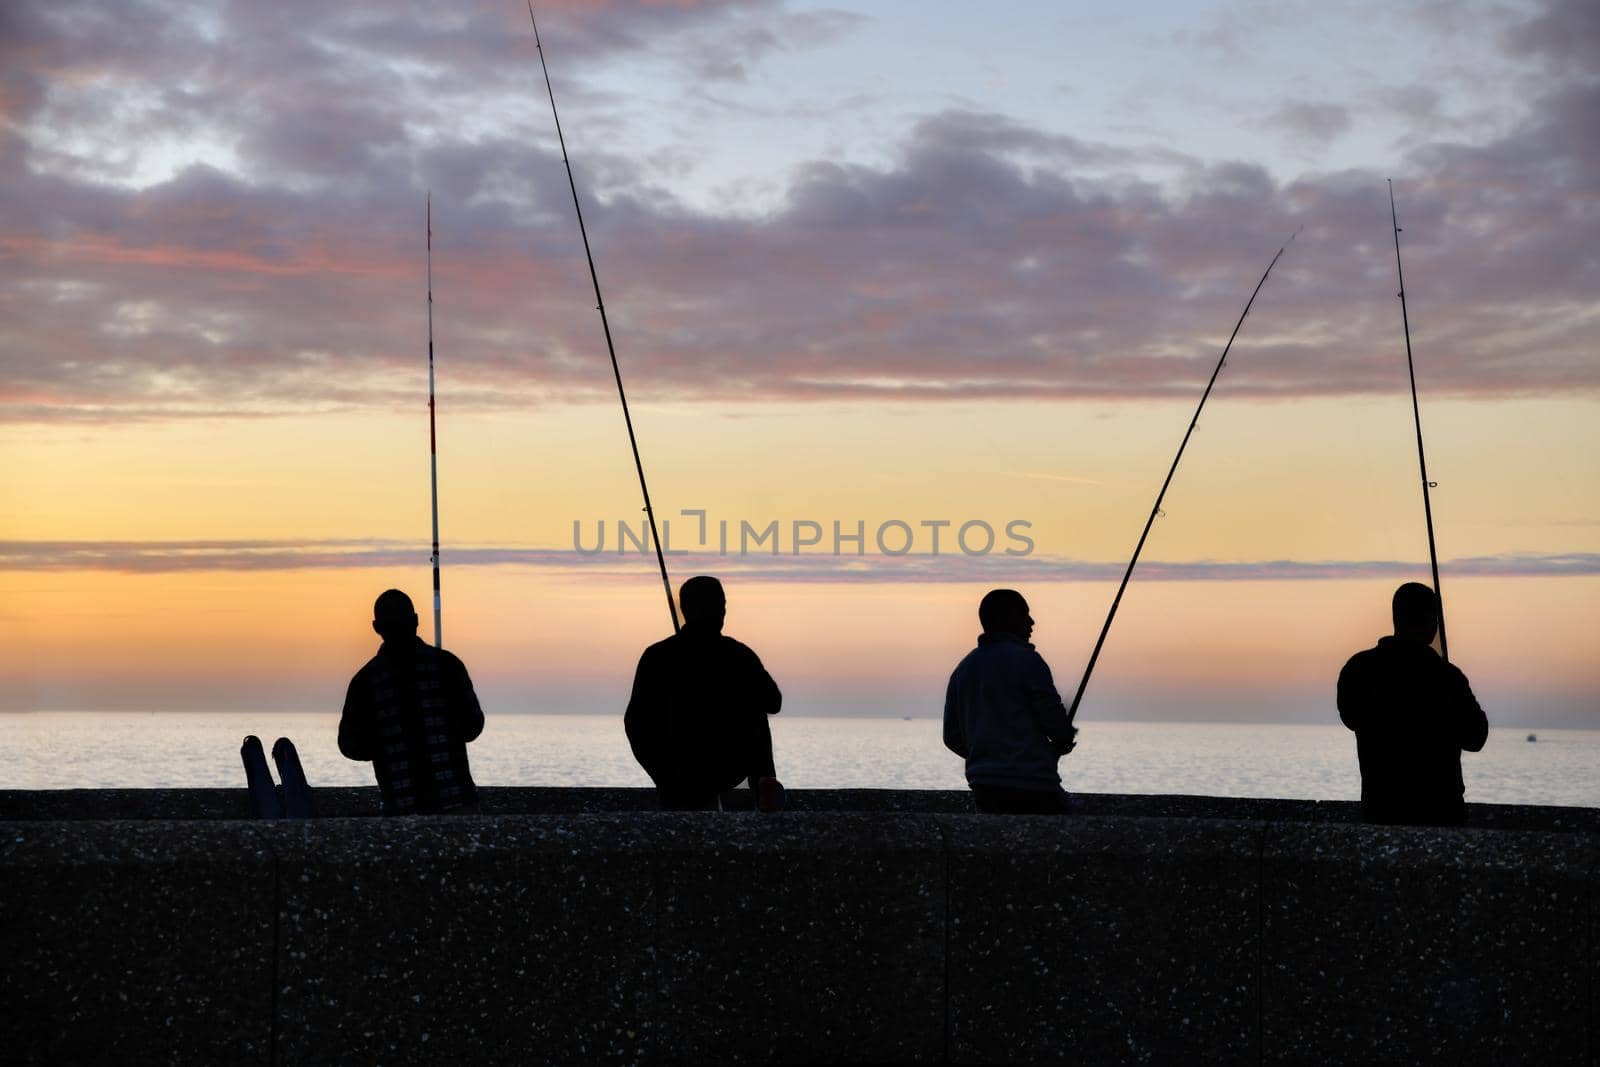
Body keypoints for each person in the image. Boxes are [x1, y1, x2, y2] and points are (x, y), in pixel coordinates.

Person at [624, 576, 784, 811]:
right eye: (719, 605)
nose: (722, 612)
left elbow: (635, 724)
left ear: (685, 610)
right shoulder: (738, 655)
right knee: (755, 710)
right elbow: (773, 702)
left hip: (675, 772)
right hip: (722, 768)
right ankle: (764, 783)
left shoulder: (657, 655)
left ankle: (759, 786)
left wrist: (663, 775)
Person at [1337, 581, 1488, 826]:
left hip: (1380, 813)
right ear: (1430, 623)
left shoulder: (1358, 669)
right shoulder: (1447, 678)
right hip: (1441, 816)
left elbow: (1350, 717)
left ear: (1397, 617)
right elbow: (1476, 737)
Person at [338, 589, 485, 815]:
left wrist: (384, 743)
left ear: (376, 628)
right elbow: (473, 726)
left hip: (401, 809)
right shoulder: (448, 666)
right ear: (415, 621)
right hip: (457, 804)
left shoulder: (365, 682)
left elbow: (350, 745)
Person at [944, 589, 1077, 814]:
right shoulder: (1028, 661)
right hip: (1034, 784)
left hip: (984, 787)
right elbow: (1054, 722)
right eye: (1025, 615)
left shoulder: (964, 669)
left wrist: (988, 756)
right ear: (1008, 619)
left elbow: (951, 736)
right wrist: (1062, 738)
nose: (1032, 622)